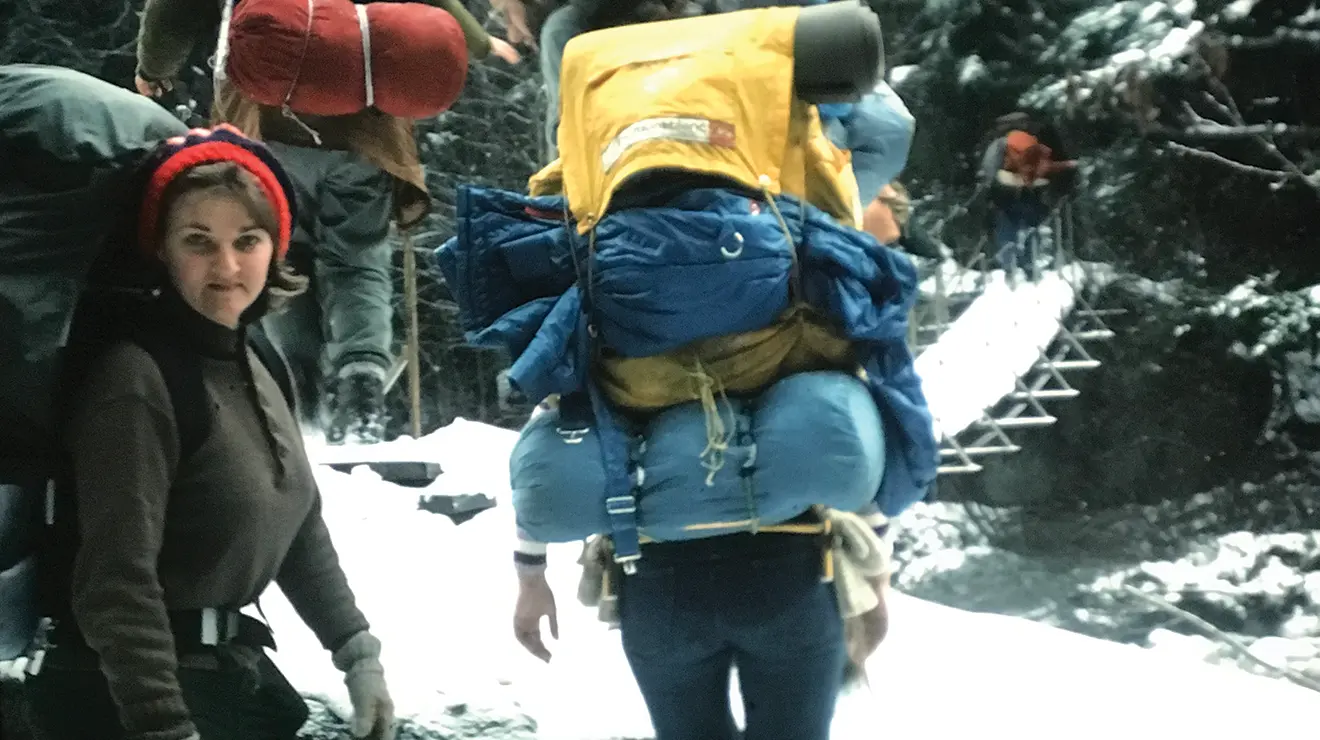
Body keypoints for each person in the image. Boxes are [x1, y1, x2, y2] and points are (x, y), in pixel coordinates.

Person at [21, 126, 394, 740]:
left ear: (276, 247)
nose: (227, 266)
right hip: (132, 693)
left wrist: (356, 652)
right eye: (198, 241)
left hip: (221, 673)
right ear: (160, 249)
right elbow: (116, 582)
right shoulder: (136, 378)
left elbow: (295, 521)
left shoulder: (256, 356)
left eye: (247, 240)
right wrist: (163, 724)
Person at [134, 0, 519, 444]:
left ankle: (300, 389)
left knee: (280, 253)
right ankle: (362, 383)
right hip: (366, 129)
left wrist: (153, 69)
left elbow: (175, 10)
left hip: (266, 122)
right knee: (358, 258)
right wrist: (479, 43)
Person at [980, 114, 1078, 285]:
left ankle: (1009, 269)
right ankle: (1030, 265)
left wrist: (989, 187)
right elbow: (1046, 168)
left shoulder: (999, 144)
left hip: (1003, 196)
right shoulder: (1033, 142)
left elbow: (988, 171)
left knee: (1007, 231)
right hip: (1032, 194)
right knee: (1032, 228)